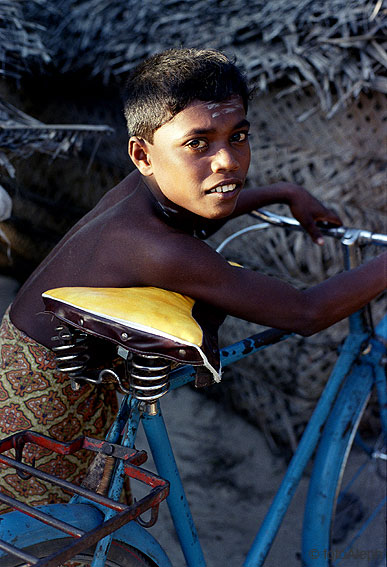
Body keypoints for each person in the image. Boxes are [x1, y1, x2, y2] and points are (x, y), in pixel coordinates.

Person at [1, 48, 386, 507]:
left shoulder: (140, 193)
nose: (226, 161)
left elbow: (195, 209)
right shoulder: (156, 248)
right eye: (198, 143)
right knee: (68, 536)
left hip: (21, 361)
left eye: (238, 135)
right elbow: (306, 312)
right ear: (142, 154)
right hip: (45, 406)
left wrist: (281, 192)